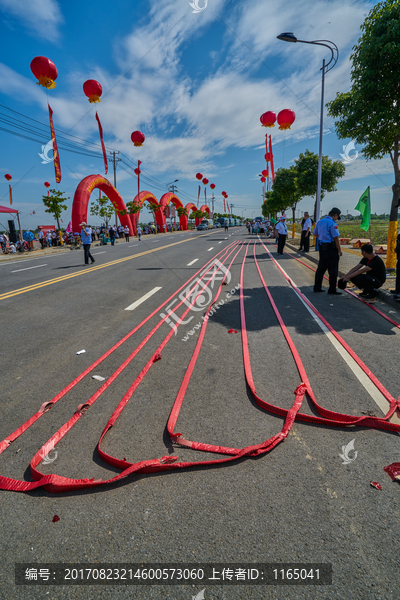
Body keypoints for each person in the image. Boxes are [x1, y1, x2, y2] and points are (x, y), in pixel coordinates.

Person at [313, 207, 342, 295]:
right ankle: (332, 289)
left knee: (321, 268)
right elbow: (335, 237)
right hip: (331, 248)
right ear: (335, 215)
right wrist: (339, 250)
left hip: (322, 248)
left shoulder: (320, 222)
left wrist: (322, 238)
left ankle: (317, 287)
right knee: (333, 270)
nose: (337, 218)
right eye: (337, 217)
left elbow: (315, 233)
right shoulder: (332, 223)